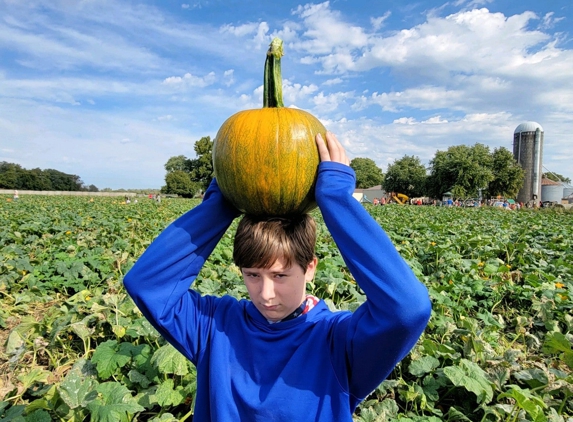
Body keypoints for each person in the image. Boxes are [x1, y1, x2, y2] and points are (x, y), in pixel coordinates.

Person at [123, 132, 431, 421]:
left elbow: (407, 309)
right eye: (252, 275)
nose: (265, 294)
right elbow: (147, 285)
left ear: (310, 267)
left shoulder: (337, 343)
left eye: (280, 275)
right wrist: (221, 204)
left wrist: (336, 200)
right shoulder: (215, 325)